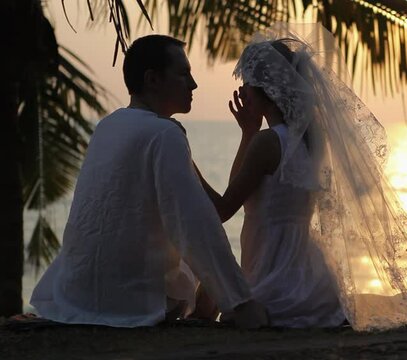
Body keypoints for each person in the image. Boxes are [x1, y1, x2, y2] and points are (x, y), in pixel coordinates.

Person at [197, 23, 407, 330]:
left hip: (274, 277)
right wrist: (248, 132)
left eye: (246, 83)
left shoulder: (269, 142)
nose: (242, 91)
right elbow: (240, 192)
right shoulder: (310, 139)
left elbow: (223, 209)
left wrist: (187, 164)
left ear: (264, 91)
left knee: (215, 293)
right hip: (312, 280)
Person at [30, 35, 267, 329]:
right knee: (208, 275)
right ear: (153, 79)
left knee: (193, 268)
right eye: (184, 74)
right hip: (127, 300)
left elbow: (210, 210)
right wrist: (241, 302)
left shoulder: (108, 125)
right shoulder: (164, 134)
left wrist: (247, 133)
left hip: (75, 294)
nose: (193, 84)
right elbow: (196, 225)